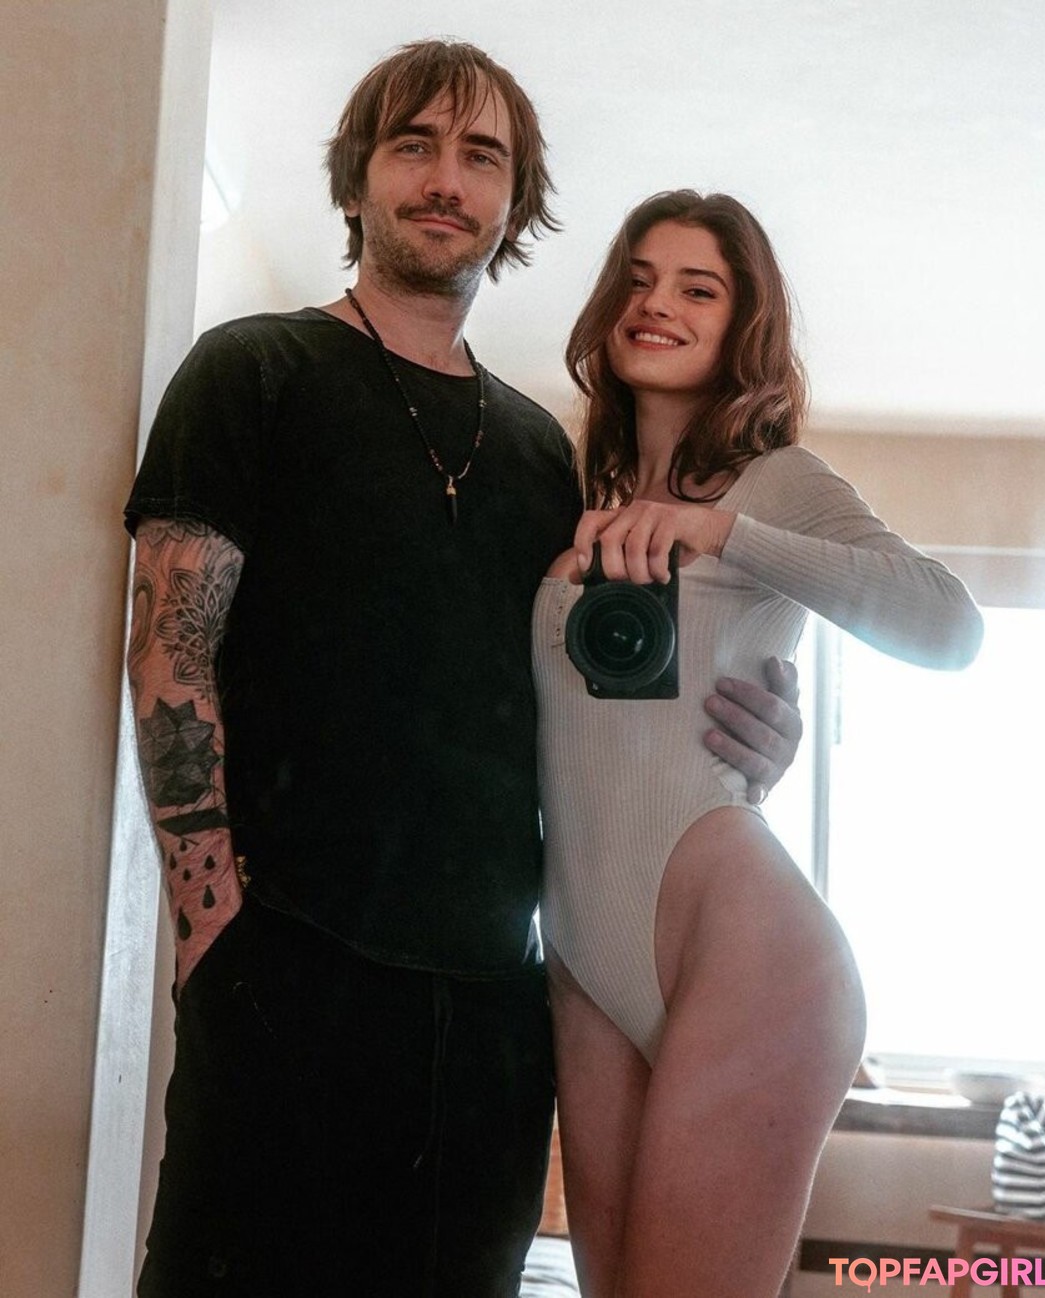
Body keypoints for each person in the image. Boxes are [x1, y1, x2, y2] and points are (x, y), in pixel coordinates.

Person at [123, 44, 803, 1298]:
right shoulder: (251, 370)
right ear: (357, 181)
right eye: (414, 146)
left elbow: (609, 713)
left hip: (497, 1005)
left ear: (513, 198)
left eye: (481, 156)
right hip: (289, 970)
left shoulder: (545, 453)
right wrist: (213, 926)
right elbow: (172, 646)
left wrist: (758, 723)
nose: (447, 179)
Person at [533, 190, 984, 1298]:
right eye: (639, 279)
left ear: (745, 327)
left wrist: (723, 530)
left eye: (699, 288)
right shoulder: (571, 494)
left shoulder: (776, 481)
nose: (659, 304)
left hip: (746, 954)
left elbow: (949, 626)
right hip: (583, 957)